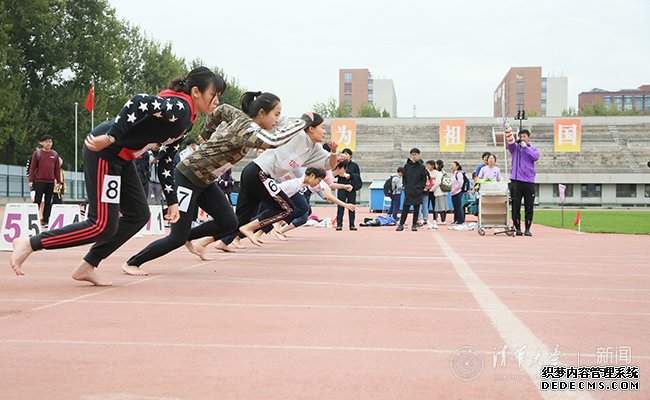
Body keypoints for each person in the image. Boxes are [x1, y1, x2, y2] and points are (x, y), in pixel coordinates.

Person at [10, 66, 224, 285]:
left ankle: (88, 265)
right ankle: (29, 243)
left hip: (121, 157)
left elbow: (166, 160)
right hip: (104, 150)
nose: (216, 101)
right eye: (213, 95)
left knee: (138, 215)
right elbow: (139, 101)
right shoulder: (180, 107)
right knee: (101, 224)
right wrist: (112, 137)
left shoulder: (188, 119)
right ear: (196, 92)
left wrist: (172, 202)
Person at [125, 91, 312, 270]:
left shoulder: (240, 118)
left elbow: (221, 109)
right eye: (276, 114)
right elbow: (274, 140)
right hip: (188, 176)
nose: (277, 120)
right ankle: (133, 262)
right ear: (262, 113)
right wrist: (304, 122)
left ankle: (189, 237)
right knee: (175, 238)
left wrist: (207, 133)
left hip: (206, 181)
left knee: (229, 222)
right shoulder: (247, 129)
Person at [215, 112, 338, 248]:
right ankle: (249, 228)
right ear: (311, 128)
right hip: (258, 172)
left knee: (242, 217)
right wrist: (302, 117)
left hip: (259, 175)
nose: (325, 131)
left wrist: (334, 153)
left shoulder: (315, 149)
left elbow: (330, 165)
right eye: (322, 127)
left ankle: (211, 241)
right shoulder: (297, 134)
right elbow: (282, 119)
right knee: (286, 207)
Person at [506, 127, 539, 236]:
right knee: (516, 205)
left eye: (524, 137)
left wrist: (525, 148)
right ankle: (517, 227)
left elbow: (535, 157)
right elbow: (510, 142)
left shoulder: (532, 149)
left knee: (529, 206)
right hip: (516, 181)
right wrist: (508, 129)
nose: (522, 138)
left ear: (528, 138)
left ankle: (528, 228)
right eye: (520, 137)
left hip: (529, 181)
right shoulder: (515, 148)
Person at [28, 134, 61, 228]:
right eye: (46, 141)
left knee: (48, 202)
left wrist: (58, 182)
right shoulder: (37, 154)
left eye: (50, 141)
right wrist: (31, 180)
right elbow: (32, 168)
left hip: (50, 182)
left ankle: (46, 220)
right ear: (42, 143)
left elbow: (57, 169)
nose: (48, 143)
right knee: (37, 200)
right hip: (39, 181)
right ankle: (33, 219)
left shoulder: (54, 154)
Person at [396, 148, 428, 232]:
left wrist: (420, 188)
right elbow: (404, 177)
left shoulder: (421, 167)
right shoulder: (407, 166)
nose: (414, 156)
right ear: (410, 155)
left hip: (417, 192)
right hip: (409, 191)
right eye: (412, 154)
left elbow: (423, 179)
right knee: (405, 208)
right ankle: (401, 224)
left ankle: (414, 224)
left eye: (416, 154)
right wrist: (405, 186)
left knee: (416, 209)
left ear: (418, 155)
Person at [335, 148, 361, 231]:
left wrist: (350, 175)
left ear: (350, 156)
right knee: (340, 206)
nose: (345, 156)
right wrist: (341, 174)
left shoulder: (355, 165)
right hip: (341, 187)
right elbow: (335, 174)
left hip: (351, 188)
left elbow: (357, 176)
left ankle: (352, 224)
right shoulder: (339, 164)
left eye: (347, 154)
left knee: (351, 206)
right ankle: (339, 224)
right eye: (343, 154)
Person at [432, 159, 448, 225]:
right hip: (445, 191)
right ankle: (443, 220)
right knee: (444, 206)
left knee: (440, 206)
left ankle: (442, 220)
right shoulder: (444, 172)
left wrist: (432, 189)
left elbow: (437, 182)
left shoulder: (438, 173)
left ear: (437, 165)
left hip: (439, 192)